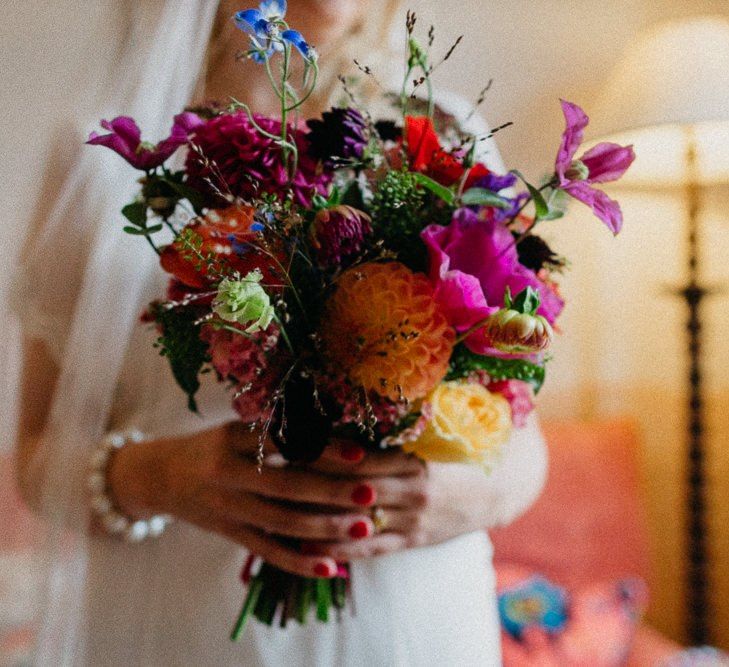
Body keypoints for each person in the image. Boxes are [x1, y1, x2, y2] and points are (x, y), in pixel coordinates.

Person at [14, 1, 547, 664]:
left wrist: (451, 496)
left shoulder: (441, 131)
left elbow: (524, 442)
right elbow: (37, 456)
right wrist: (160, 474)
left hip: (406, 620)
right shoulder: (99, 156)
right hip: (182, 623)